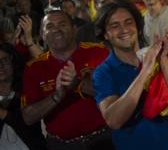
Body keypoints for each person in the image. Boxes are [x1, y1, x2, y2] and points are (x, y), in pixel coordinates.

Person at [92, 0, 168, 150]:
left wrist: (163, 61)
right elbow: (113, 120)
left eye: (128, 22)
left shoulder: (157, 55)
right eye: (115, 25)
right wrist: (145, 71)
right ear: (106, 34)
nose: (124, 29)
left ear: (137, 26)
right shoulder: (104, 72)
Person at [21, 10, 113, 149]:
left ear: (74, 29)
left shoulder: (99, 52)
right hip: (60, 145)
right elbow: (28, 117)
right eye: (50, 26)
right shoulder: (33, 68)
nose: (56, 30)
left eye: (62, 24)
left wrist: (79, 83)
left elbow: (116, 92)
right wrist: (57, 96)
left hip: (103, 138)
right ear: (42, 36)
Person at [0, 43, 46, 150]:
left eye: (5, 60)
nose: (0, 65)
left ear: (13, 61)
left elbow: (27, 123)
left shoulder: (28, 90)